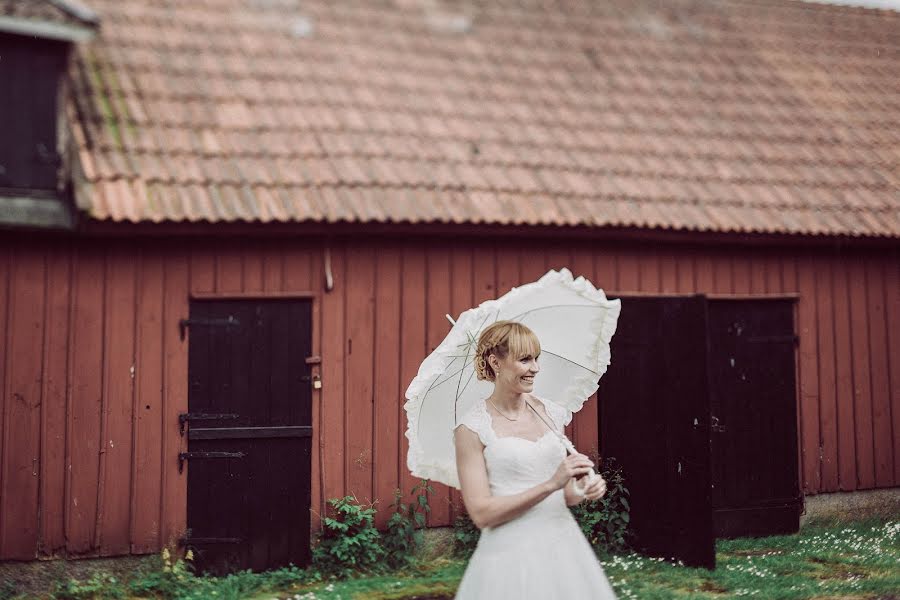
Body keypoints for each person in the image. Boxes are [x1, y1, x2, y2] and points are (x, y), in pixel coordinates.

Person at [453, 320, 618, 599]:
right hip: (509, 554)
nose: (535, 368)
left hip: (563, 547)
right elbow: (482, 514)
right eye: (525, 359)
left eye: (536, 359)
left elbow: (564, 495)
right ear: (495, 362)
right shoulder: (471, 429)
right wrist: (550, 484)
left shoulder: (551, 413)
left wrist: (581, 489)